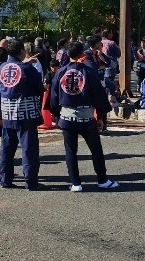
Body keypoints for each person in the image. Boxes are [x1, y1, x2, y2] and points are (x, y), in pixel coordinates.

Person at [50, 42, 119, 192]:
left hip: (67, 117)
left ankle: (76, 183)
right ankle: (102, 179)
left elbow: (54, 96)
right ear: (83, 55)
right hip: (86, 117)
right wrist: (100, 116)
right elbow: (98, 95)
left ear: (68, 55)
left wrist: (55, 114)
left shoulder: (61, 72)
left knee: (70, 151)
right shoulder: (89, 72)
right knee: (96, 149)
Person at [0, 39, 44, 190]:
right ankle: (30, 182)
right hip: (25, 113)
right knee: (29, 149)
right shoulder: (28, 69)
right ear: (21, 52)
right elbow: (39, 88)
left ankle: (5, 179)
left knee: (7, 148)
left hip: (7, 113)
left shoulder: (2, 67)